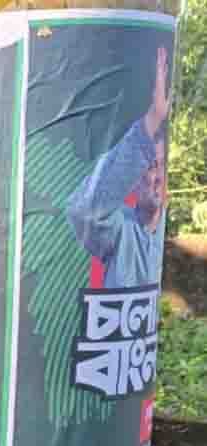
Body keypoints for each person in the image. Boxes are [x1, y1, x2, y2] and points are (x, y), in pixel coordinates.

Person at [67, 46, 171, 289]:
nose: (155, 177)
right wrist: (152, 120)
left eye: (160, 166)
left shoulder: (165, 228)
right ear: (133, 178)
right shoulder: (120, 227)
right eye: (148, 168)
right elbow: (83, 212)